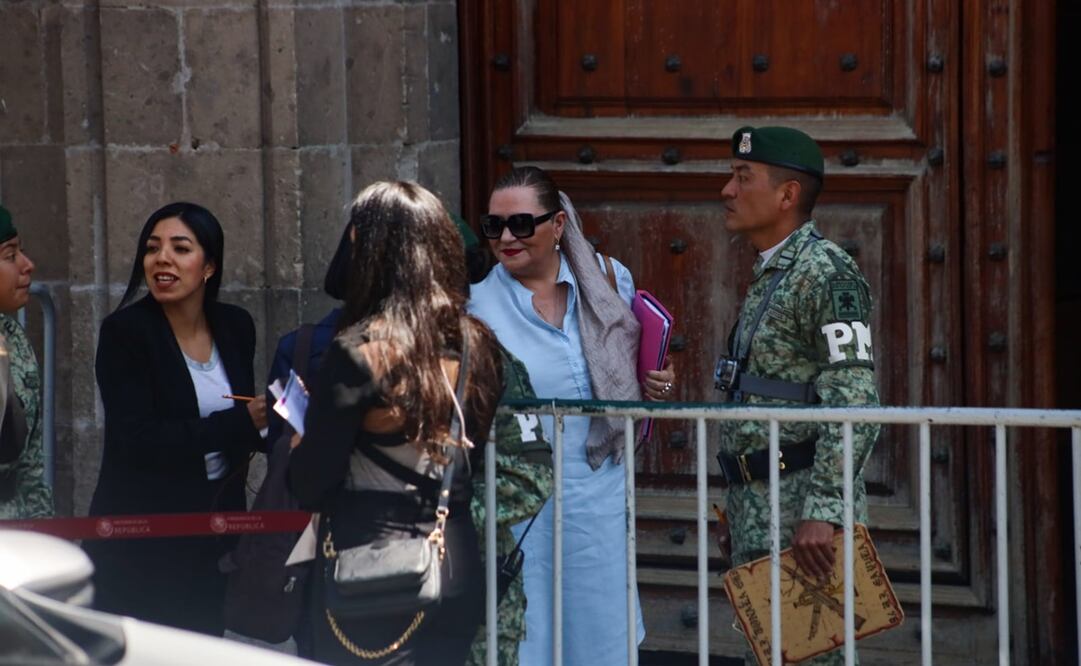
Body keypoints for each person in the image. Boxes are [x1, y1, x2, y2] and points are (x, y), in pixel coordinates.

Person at [466, 166, 676, 665]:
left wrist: (655, 386)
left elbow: (628, 368)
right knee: (527, 636)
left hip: (600, 493)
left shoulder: (607, 279)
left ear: (558, 225)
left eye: (522, 223)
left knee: (601, 636)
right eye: (493, 226)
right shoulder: (476, 309)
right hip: (520, 504)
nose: (506, 238)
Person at [289, 181, 505, 665]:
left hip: (372, 571)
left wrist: (300, 446)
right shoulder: (480, 345)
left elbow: (311, 482)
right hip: (455, 565)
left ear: (367, 251)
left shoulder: (359, 352)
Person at [712, 126, 880, 664]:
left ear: (787, 195)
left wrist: (825, 513)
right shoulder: (774, 272)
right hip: (762, 509)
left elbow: (855, 402)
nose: (727, 190)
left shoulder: (825, 273)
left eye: (743, 177)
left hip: (802, 521)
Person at [84, 202, 267, 635]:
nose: (161, 258)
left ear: (209, 267)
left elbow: (243, 427)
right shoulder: (126, 333)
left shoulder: (236, 326)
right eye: (152, 248)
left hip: (214, 539)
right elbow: (138, 439)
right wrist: (241, 422)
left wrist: (278, 422)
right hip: (143, 544)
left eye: (180, 248)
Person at [0, 204, 52, 520]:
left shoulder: (13, 338)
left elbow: (31, 467)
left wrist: (46, 535)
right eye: (9, 256)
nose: (27, 265)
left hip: (16, 539)